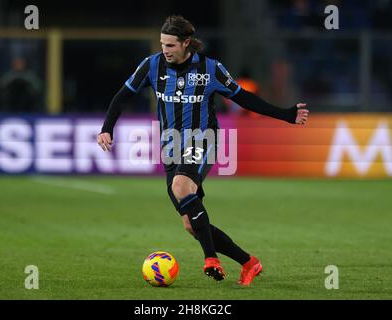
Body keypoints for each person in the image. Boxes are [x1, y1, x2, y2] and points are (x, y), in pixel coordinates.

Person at [97, 15, 309, 286]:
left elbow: (243, 97)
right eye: (162, 44)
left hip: (203, 140)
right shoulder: (151, 66)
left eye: (171, 45)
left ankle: (211, 259)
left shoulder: (211, 69)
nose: (165, 49)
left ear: (187, 43)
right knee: (191, 224)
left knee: (181, 187)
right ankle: (249, 263)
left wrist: (286, 115)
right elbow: (122, 95)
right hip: (170, 147)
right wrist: (107, 127)